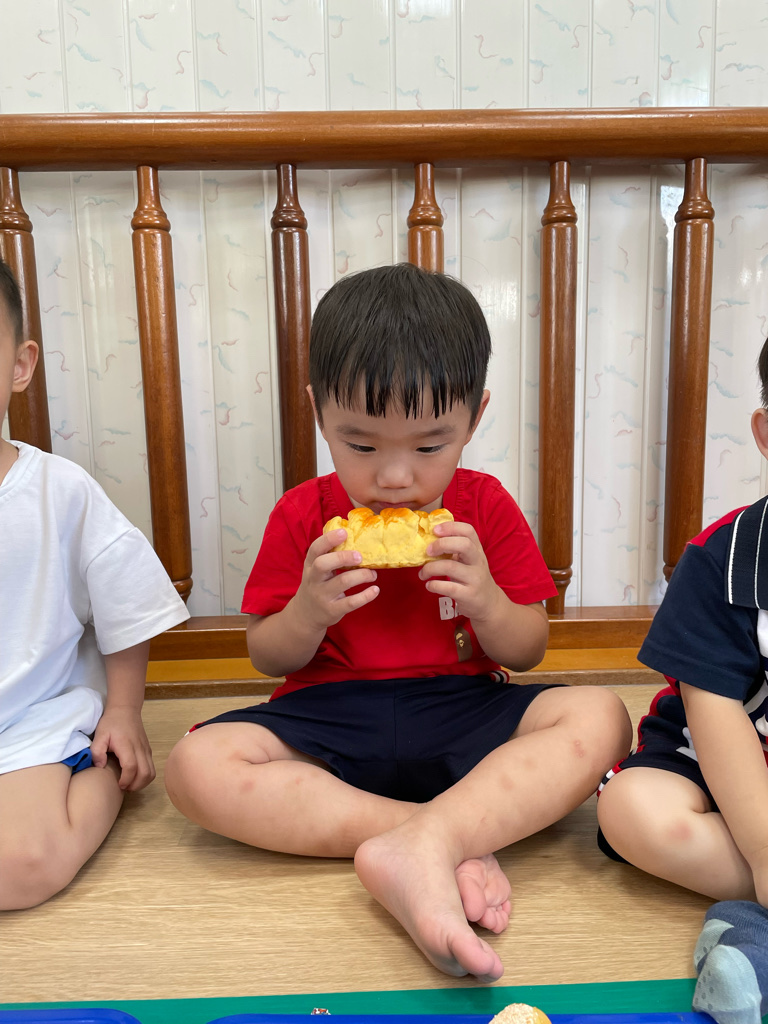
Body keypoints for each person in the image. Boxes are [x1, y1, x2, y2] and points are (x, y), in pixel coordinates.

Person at [165, 263, 632, 983]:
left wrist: (487, 602)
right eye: (361, 445)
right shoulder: (302, 514)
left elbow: (529, 649)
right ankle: (427, 835)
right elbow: (266, 655)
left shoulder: (485, 506)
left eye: (428, 446)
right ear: (319, 412)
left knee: (602, 716)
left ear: (474, 417)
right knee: (195, 765)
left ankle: (429, 837)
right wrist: (307, 612)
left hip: (463, 709)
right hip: (330, 716)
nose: (393, 478)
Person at [0, 259, 190, 910]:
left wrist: (123, 713)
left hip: (33, 720)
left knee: (22, 867)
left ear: (19, 365)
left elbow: (125, 604)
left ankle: (99, 769)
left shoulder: (59, 492)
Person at [596, 335, 768, 1024]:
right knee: (630, 810)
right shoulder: (724, 559)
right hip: (719, 757)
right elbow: (713, 711)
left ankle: (749, 929)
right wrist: (764, 853)